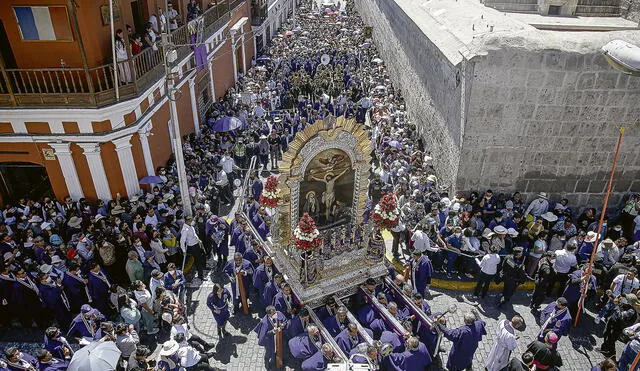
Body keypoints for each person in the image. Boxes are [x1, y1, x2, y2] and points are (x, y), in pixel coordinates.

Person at [598, 293, 639, 358]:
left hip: (617, 327)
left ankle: (611, 354)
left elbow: (620, 316)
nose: (624, 299)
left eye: (626, 298)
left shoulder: (631, 311)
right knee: (606, 335)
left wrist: (617, 305)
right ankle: (604, 349)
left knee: (611, 340)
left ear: (630, 302)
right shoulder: (624, 305)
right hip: (612, 323)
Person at [181, 216, 206, 282]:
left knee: (200, 258)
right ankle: (200, 275)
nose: (191, 222)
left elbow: (194, 234)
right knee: (198, 260)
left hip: (196, 244)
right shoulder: (185, 230)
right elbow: (182, 241)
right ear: (186, 221)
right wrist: (183, 251)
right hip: (192, 247)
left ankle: (201, 270)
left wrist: (198, 240)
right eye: (190, 221)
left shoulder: (190, 226)